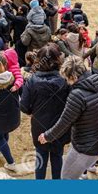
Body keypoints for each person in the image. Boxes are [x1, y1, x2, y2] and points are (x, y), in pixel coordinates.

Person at [38, 56, 98, 180]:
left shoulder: (77, 95)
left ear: (73, 77)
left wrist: (47, 136)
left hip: (83, 149)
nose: (67, 82)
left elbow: (64, 122)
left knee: (66, 178)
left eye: (67, 79)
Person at [21, 44, 70, 179]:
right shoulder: (65, 80)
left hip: (40, 125)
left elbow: (24, 106)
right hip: (59, 125)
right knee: (57, 156)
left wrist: (33, 110)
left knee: (41, 157)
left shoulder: (32, 81)